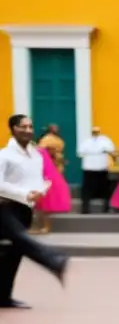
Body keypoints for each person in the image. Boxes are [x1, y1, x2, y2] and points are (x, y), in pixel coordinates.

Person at [0, 114, 70, 309]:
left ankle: (4, 296)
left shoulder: (36, 155)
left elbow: (35, 180)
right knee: (19, 238)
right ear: (13, 129)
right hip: (5, 206)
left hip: (25, 208)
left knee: (13, 253)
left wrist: (42, 189)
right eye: (23, 127)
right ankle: (53, 260)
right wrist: (24, 193)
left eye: (31, 127)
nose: (28, 130)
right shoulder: (4, 155)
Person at [34, 124, 71, 233]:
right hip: (47, 171)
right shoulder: (47, 141)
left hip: (50, 171)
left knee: (45, 200)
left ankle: (44, 226)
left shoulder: (54, 142)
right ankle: (40, 226)